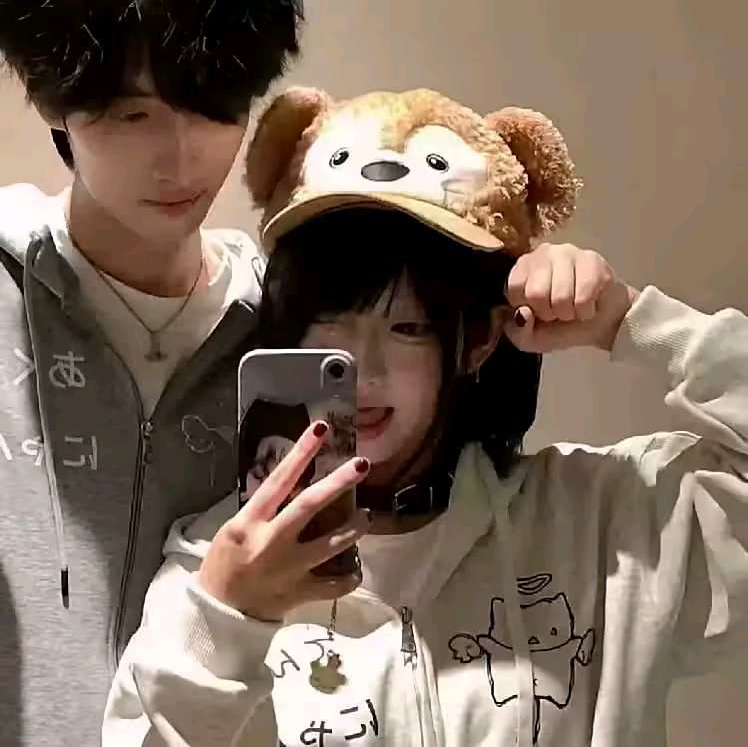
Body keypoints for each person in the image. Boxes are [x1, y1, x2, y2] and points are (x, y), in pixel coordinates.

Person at [103, 202, 748, 745]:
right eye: (330, 320)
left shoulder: (601, 522)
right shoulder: (213, 567)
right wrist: (226, 620)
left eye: (407, 327)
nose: (364, 365)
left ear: (477, 342)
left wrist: (630, 322)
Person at [0, 1, 303, 744]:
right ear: (51, 99)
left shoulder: (288, 334)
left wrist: (569, 316)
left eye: (212, 107)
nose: (180, 160)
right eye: (132, 115)